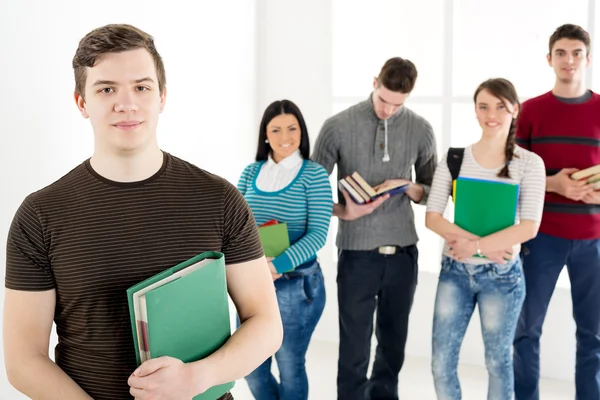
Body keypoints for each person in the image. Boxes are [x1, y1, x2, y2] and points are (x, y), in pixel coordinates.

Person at [3, 23, 283, 400]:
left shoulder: (220, 199)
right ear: (81, 102)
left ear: (162, 96)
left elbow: (266, 324)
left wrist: (199, 377)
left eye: (141, 87)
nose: (127, 103)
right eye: (106, 89)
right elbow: (24, 359)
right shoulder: (40, 215)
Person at [312, 57, 438, 400]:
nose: (388, 110)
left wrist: (409, 187)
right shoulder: (337, 125)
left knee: (393, 345)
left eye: (398, 104)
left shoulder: (422, 129)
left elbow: (432, 190)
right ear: (374, 82)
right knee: (354, 347)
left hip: (402, 254)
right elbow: (310, 187)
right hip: (356, 254)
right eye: (383, 100)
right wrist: (344, 211)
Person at [425, 78, 546, 399]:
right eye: (483, 106)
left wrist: (476, 247)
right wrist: (474, 246)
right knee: (440, 362)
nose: (491, 114)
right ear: (475, 112)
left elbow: (529, 227)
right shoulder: (454, 159)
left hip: (502, 277)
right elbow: (432, 217)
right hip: (454, 273)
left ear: (514, 111)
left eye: (500, 107)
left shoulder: (530, 164)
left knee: (497, 363)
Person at [512, 24, 600, 400]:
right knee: (526, 331)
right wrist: (555, 184)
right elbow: (511, 174)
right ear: (549, 59)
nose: (569, 60)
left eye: (576, 53)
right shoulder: (530, 111)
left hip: (594, 241)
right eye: (561, 53)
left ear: (588, 58)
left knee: (593, 335)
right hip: (542, 237)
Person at [237, 99, 333, 400]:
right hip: (253, 285)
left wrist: (275, 266)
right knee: (251, 366)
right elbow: (234, 226)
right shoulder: (251, 173)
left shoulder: (314, 174)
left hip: (297, 285)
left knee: (290, 364)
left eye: (292, 128)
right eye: (276, 130)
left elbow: (318, 234)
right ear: (265, 134)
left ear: (302, 132)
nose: (285, 137)